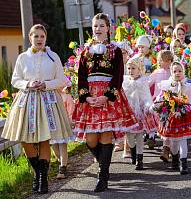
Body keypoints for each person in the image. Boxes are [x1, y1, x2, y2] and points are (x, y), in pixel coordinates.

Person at [1, 24, 73, 194]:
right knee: (26, 139)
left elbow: (61, 80)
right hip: (26, 101)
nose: (39, 39)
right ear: (30, 38)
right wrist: (28, 83)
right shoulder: (22, 58)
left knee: (44, 140)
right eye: (36, 36)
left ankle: (42, 180)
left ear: (45, 38)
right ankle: (38, 173)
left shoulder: (52, 56)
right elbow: (15, 80)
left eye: (42, 36)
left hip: (48, 100)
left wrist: (46, 84)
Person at [72, 13, 138, 192]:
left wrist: (107, 96)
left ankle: (103, 176)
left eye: (101, 26)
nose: (98, 29)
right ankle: (103, 163)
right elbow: (81, 77)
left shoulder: (115, 50)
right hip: (91, 98)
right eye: (95, 26)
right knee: (91, 140)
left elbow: (117, 77)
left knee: (106, 135)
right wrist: (86, 97)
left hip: (108, 97)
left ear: (108, 28)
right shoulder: (85, 51)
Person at [153, 61, 191, 174]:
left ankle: (183, 163)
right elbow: (161, 97)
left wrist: (189, 105)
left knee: (183, 139)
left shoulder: (187, 86)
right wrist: (157, 105)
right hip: (171, 115)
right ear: (171, 72)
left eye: (180, 71)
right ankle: (175, 160)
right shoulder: (167, 85)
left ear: (183, 72)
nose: (177, 73)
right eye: (175, 71)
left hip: (184, 114)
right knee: (174, 140)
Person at [122, 56, 157, 170]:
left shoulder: (143, 82)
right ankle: (132, 152)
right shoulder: (125, 81)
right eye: (129, 68)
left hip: (140, 113)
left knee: (139, 136)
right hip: (128, 113)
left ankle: (139, 159)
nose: (130, 71)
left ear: (139, 69)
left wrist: (148, 106)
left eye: (133, 68)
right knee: (130, 137)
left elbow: (146, 97)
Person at [149, 50, 173, 162]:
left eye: (161, 60)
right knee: (162, 125)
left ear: (169, 61)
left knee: (166, 125)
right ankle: (167, 147)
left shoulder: (173, 72)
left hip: (170, 103)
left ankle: (166, 149)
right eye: (158, 60)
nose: (158, 62)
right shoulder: (156, 72)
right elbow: (147, 83)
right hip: (158, 103)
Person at [52, 85, 75, 179]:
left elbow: (71, 111)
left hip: (63, 125)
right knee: (54, 147)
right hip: (53, 126)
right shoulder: (50, 96)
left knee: (62, 146)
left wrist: (70, 121)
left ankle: (62, 168)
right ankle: (61, 161)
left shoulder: (66, 96)